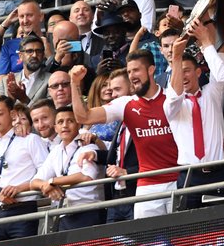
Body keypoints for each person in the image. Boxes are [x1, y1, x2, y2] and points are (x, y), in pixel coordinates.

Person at [70, 50, 179, 219]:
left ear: (151, 70)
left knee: (182, 239)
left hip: (176, 180)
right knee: (148, 242)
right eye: (129, 71)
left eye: (136, 70)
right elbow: (83, 117)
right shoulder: (125, 104)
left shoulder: (171, 98)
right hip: (146, 185)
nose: (132, 75)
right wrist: (75, 83)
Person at [164, 33, 224, 210]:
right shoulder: (171, 104)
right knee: (190, 231)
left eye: (187, 70)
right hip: (189, 175)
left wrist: (205, 32)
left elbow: (221, 58)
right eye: (179, 71)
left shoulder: (213, 92)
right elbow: (176, 94)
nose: (183, 76)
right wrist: (176, 58)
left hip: (219, 172)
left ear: (198, 72)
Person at [0, 95, 49, 241]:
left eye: (0, 113)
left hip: (24, 208)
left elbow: (47, 173)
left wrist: (19, 188)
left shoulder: (30, 139)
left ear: (12, 114)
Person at [29, 107, 104, 230]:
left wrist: (53, 182)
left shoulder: (87, 145)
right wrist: (46, 186)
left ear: (78, 124)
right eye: (60, 122)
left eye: (70, 121)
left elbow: (86, 176)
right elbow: (34, 182)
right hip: (64, 213)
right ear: (55, 127)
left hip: (89, 210)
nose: (64, 125)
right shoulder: (56, 151)